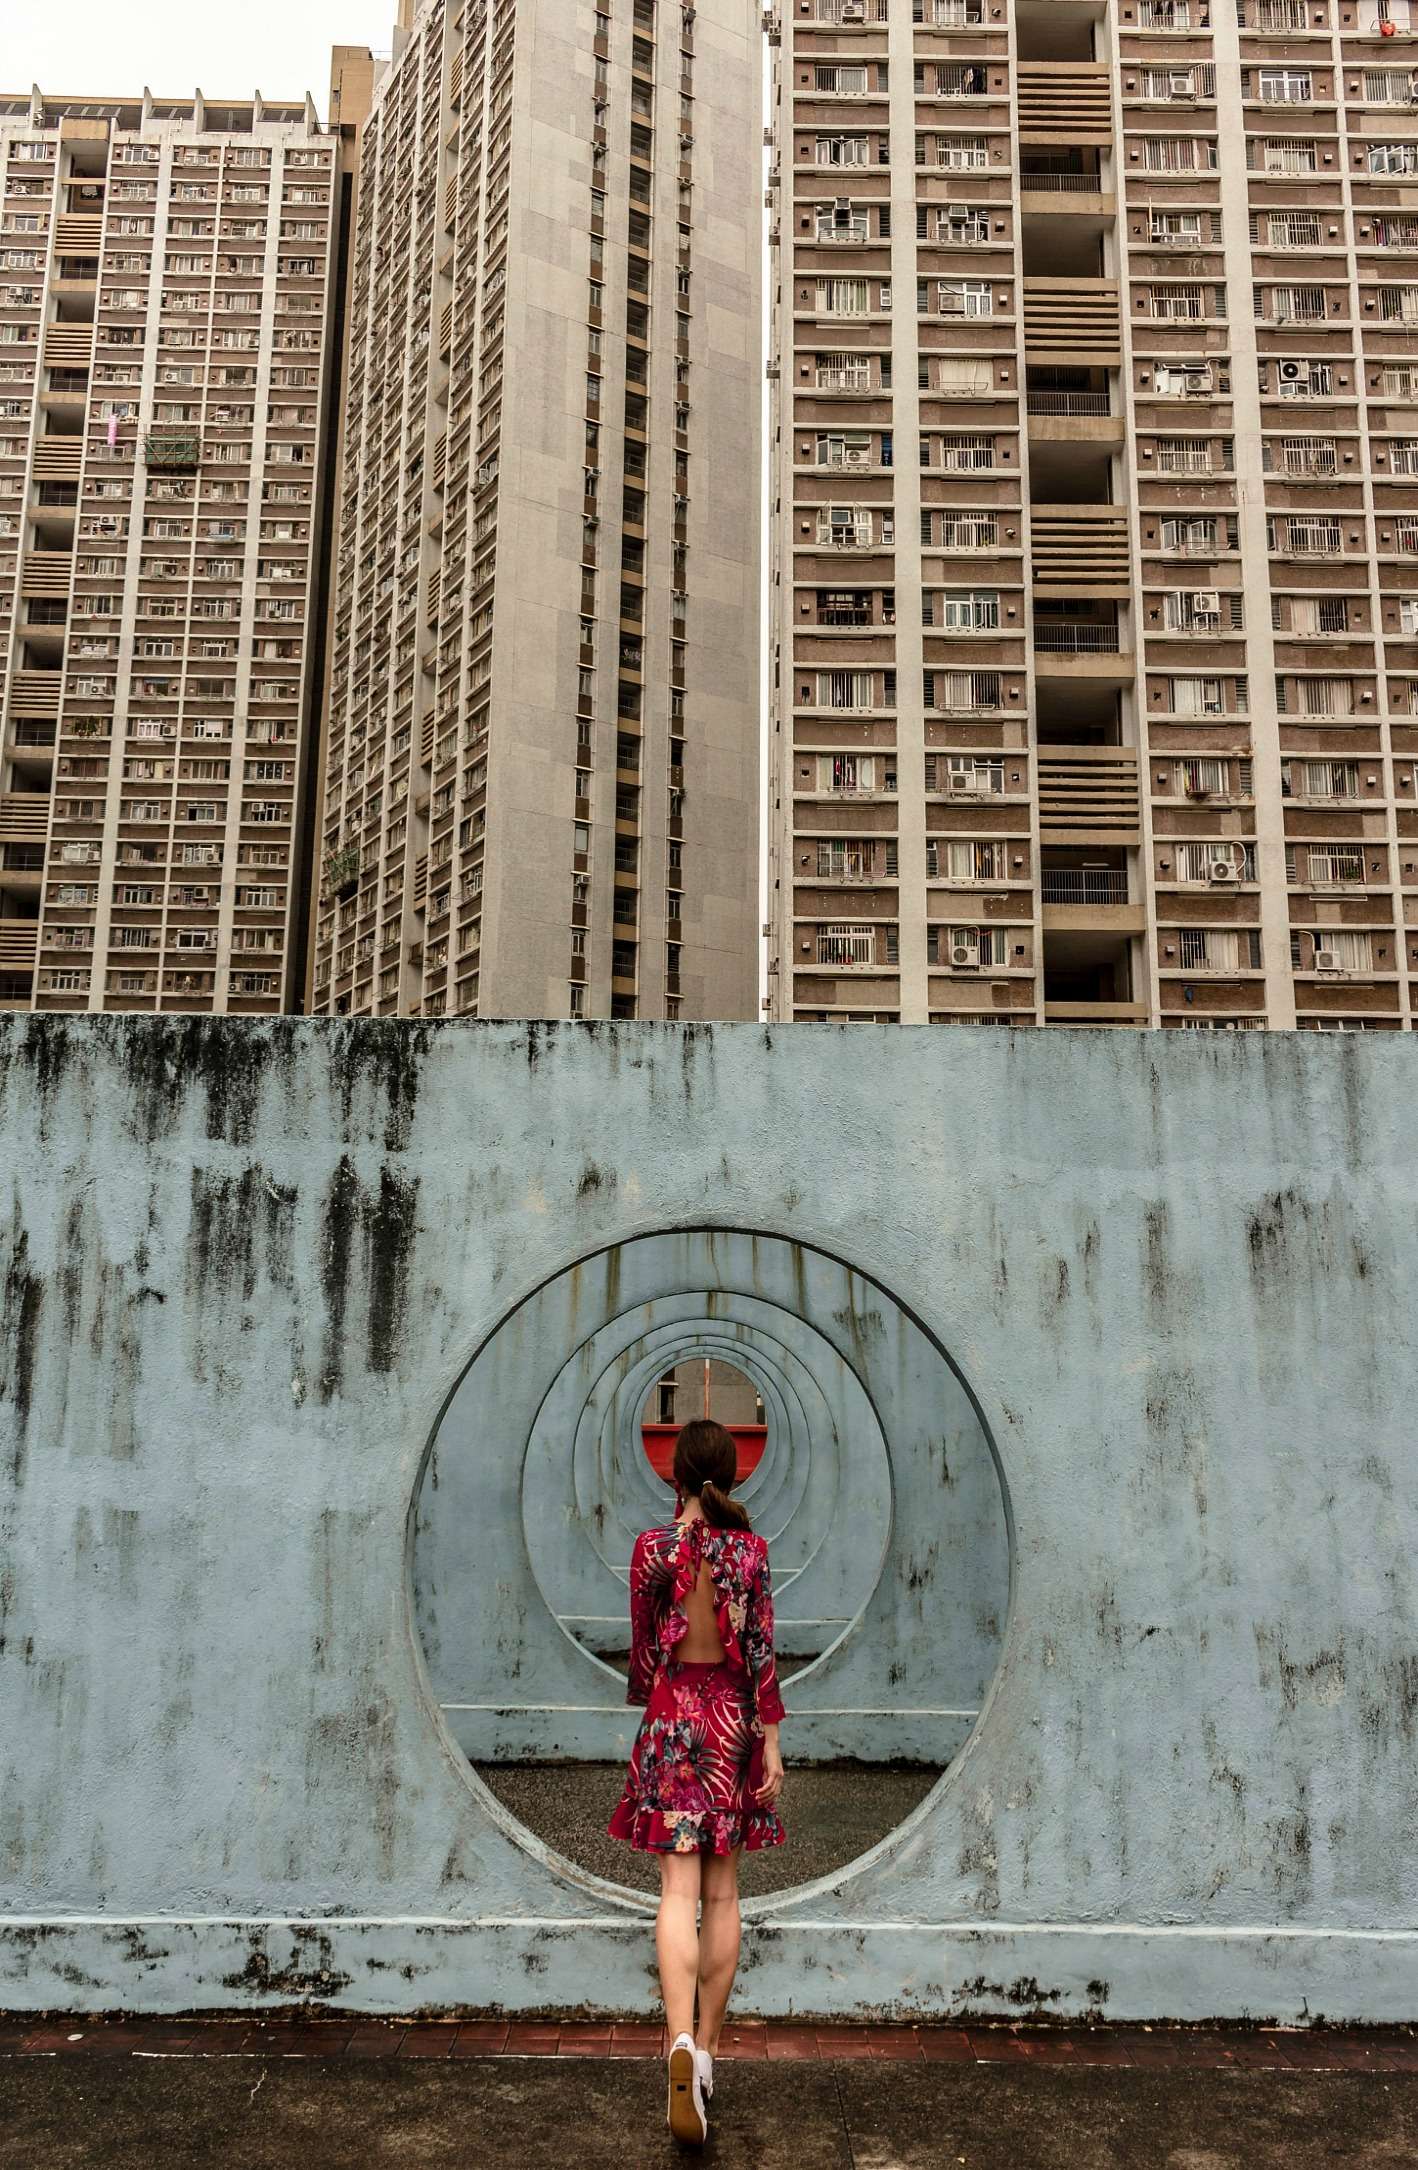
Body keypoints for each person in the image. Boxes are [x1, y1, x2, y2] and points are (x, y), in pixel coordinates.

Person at [608, 1417, 786, 2147]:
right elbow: (764, 1652)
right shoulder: (750, 1552)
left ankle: (676, 2044)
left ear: (672, 1474)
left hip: (672, 1719)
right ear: (735, 1476)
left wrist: (658, 1707)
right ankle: (706, 2058)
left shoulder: (653, 1550)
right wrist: (769, 1742)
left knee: (675, 1895)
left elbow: (645, 1653)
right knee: (723, 1896)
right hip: (732, 1728)